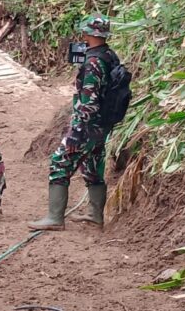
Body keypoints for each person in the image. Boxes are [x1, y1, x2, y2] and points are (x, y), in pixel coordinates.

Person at [28, 14, 118, 231]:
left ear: (88, 33)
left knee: (59, 163)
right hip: (102, 125)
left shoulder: (93, 62)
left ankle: (55, 218)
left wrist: (78, 130)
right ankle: (95, 214)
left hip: (87, 126)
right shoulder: (109, 55)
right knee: (92, 167)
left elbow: (89, 101)